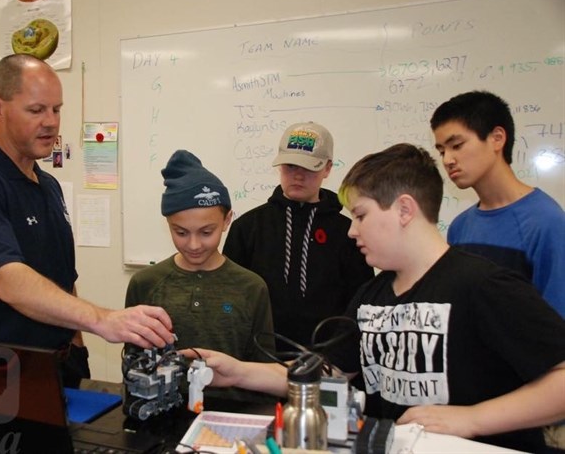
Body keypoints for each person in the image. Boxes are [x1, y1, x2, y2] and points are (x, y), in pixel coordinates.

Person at [184, 144, 565, 453]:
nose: (352, 231)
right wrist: (237, 370)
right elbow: (329, 373)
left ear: (403, 209)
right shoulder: (372, 297)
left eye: (361, 215)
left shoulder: (482, 284)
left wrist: (471, 418)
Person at [0, 54, 174, 388]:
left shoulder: (47, 185)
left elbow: (63, 280)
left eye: (57, 109)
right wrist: (102, 319)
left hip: (61, 366)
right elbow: (7, 281)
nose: (51, 121)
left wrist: (77, 349)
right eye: (36, 110)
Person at [124, 150, 276, 402]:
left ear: (227, 220)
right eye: (181, 232)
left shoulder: (251, 287)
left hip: (234, 418)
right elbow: (133, 364)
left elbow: (264, 370)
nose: (194, 244)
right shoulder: (145, 284)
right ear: (168, 224)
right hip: (162, 418)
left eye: (206, 232)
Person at [223, 122, 374, 352]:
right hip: (258, 356)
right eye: (290, 166)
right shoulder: (248, 227)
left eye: (309, 167)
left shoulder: (350, 233)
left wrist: (339, 355)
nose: (298, 176)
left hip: (327, 360)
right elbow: (229, 299)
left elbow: (359, 304)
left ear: (327, 168)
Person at [431, 90, 565, 318]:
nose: (447, 160)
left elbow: (556, 325)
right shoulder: (460, 227)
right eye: (442, 150)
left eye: (457, 145)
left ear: (497, 138)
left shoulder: (546, 222)